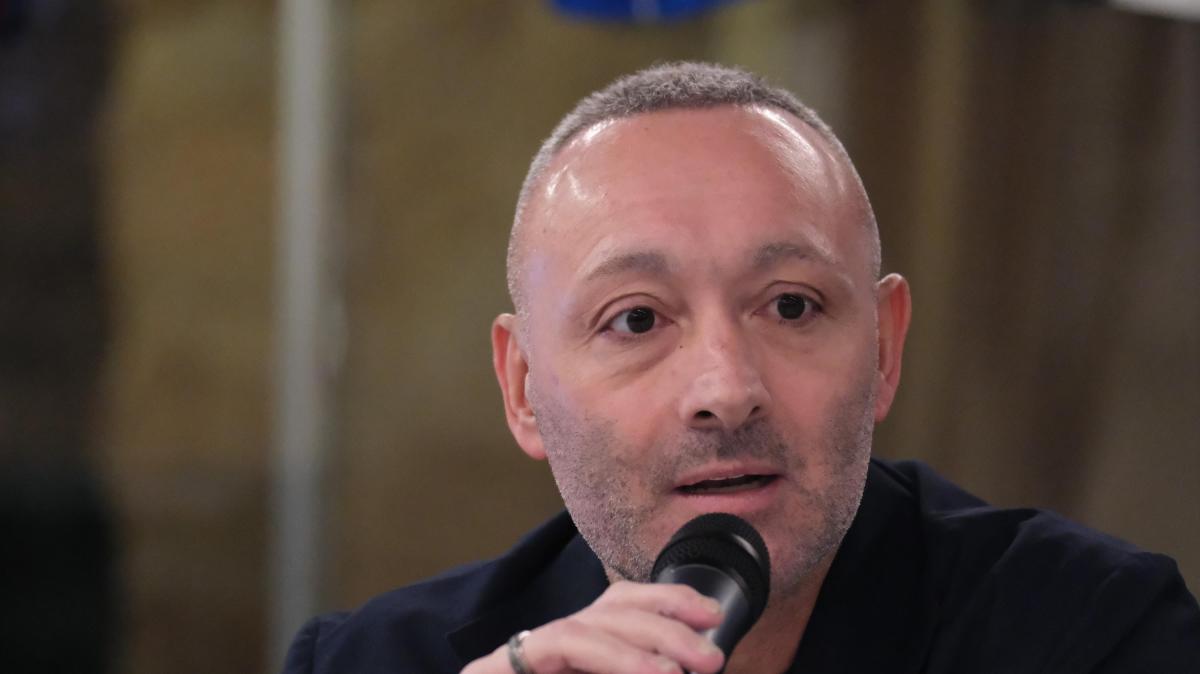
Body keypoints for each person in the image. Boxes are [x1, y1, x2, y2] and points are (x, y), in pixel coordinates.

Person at [281, 62, 1199, 674]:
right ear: (523, 389)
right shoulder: (375, 662)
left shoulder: (1094, 632)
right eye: (636, 319)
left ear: (884, 348)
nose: (725, 390)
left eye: (791, 306)